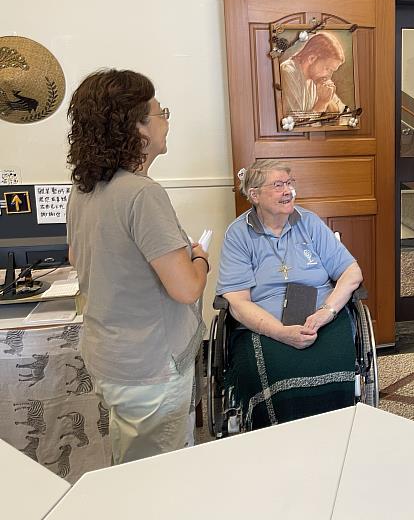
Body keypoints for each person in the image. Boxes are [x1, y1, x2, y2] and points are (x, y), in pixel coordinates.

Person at [66, 69, 208, 464]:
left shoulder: (85, 188)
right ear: (138, 128)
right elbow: (186, 289)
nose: (167, 122)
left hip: (110, 355)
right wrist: (199, 259)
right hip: (149, 366)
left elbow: (77, 258)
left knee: (131, 454)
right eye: (161, 112)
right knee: (158, 470)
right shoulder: (143, 194)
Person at [216, 160, 363, 429]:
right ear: (254, 195)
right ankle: (277, 443)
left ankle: (336, 434)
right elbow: (237, 303)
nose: (288, 191)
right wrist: (280, 332)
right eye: (278, 185)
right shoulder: (238, 234)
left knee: (334, 362)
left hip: (321, 318)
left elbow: (351, 273)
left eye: (289, 183)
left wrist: (326, 313)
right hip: (263, 325)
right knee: (271, 371)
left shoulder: (308, 222)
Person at [279, 32, 347, 114]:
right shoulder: (288, 72)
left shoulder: (318, 79)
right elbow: (297, 124)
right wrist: (322, 103)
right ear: (312, 58)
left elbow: (344, 113)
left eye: (332, 71)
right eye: (327, 69)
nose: (329, 76)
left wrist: (329, 100)